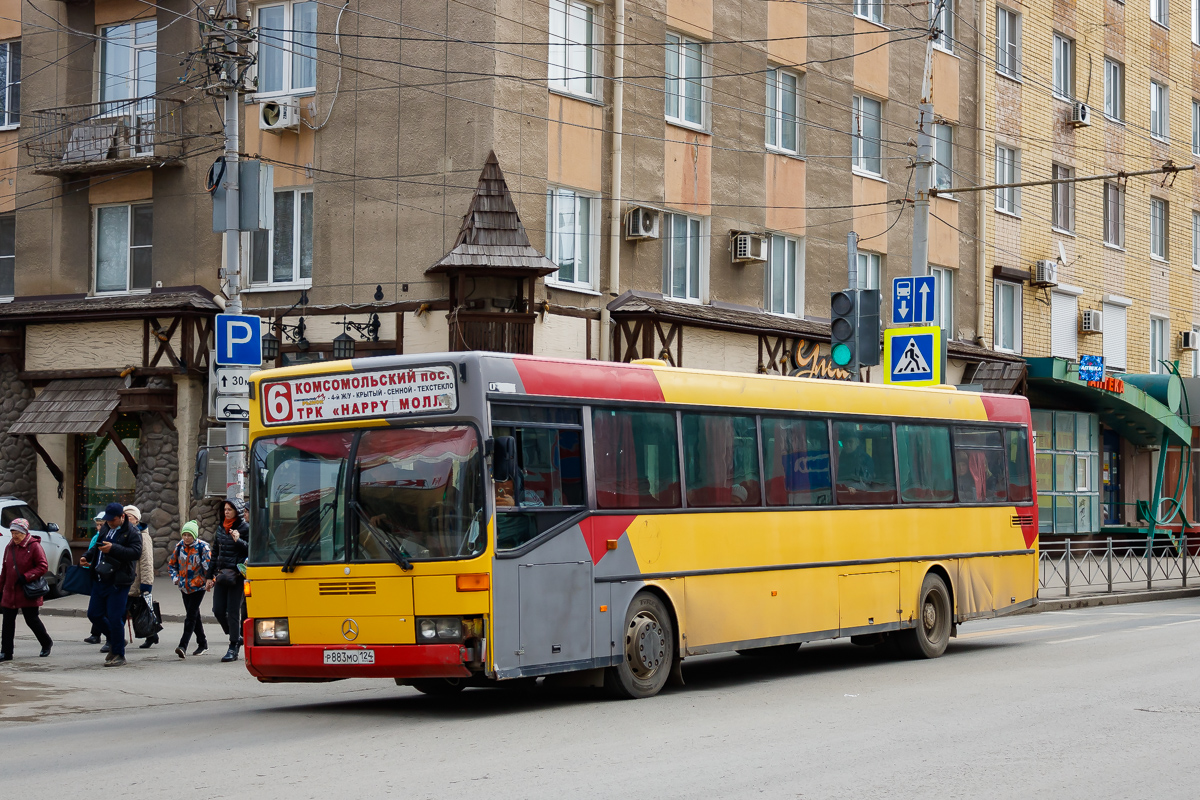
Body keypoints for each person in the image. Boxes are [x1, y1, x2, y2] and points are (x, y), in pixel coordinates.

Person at [80, 502, 143, 667]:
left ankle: (118, 654)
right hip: (101, 578)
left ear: (122, 517)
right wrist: (87, 556)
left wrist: (113, 548)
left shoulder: (132, 532)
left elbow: (135, 553)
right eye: (107, 520)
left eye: (113, 520)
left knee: (115, 617)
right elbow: (97, 546)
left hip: (119, 580)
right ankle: (117, 640)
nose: (109, 523)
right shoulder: (106, 528)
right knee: (94, 614)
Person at [0, 519, 53, 661]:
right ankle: (6, 652)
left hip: (27, 590)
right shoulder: (9, 546)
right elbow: (4, 569)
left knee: (32, 620)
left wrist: (27, 576)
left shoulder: (34, 546)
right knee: (7, 622)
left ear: (24, 532)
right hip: (10, 591)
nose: (14, 536)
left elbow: (43, 566)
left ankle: (46, 642)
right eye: (12, 533)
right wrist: (1, 588)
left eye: (17, 533)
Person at [206, 499, 249, 663]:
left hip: (237, 577)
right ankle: (236, 635)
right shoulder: (220, 528)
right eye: (225, 509)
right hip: (222, 575)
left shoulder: (245, 528)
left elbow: (251, 550)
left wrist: (239, 540)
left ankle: (233, 647)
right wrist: (209, 577)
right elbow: (215, 553)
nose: (226, 512)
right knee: (217, 610)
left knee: (233, 611)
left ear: (237, 511)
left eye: (230, 509)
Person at [168, 520, 211, 659]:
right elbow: (172, 565)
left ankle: (183, 646)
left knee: (190, 616)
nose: (186, 538)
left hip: (198, 587)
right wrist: (175, 578)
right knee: (194, 615)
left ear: (195, 535)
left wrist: (210, 581)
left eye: (189, 535)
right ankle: (202, 643)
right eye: (184, 534)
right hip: (184, 587)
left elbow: (210, 568)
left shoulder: (202, 547)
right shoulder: (179, 547)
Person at [123, 505, 158, 650]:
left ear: (136, 519)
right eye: (124, 516)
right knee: (130, 610)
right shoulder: (123, 534)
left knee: (139, 610)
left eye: (129, 516)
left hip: (136, 581)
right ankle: (151, 635)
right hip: (125, 580)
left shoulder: (143, 536)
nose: (126, 519)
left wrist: (146, 583)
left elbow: (147, 562)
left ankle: (151, 634)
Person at [83, 510, 107, 646]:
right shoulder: (96, 537)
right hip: (95, 573)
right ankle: (95, 634)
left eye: (101, 525)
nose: (98, 528)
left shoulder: (108, 538)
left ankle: (108, 636)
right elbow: (93, 552)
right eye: (97, 525)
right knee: (97, 608)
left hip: (105, 575)